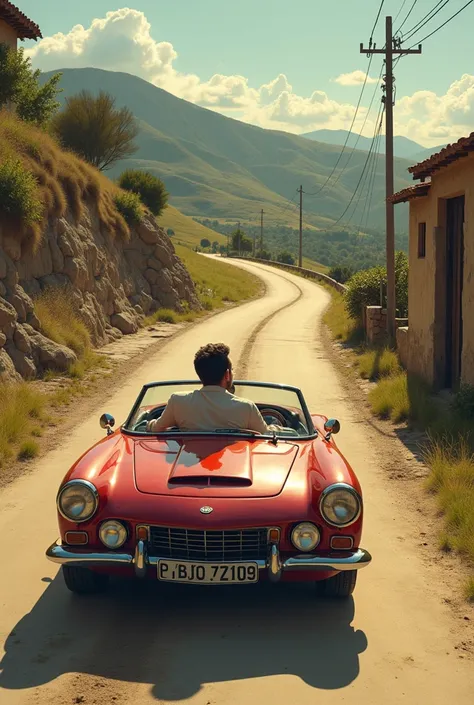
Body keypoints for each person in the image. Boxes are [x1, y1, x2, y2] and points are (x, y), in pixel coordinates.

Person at [146, 342, 275, 434]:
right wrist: (277, 428)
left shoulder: (178, 401)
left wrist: (149, 423)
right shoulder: (246, 407)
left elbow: (156, 428)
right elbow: (266, 434)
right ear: (227, 375)